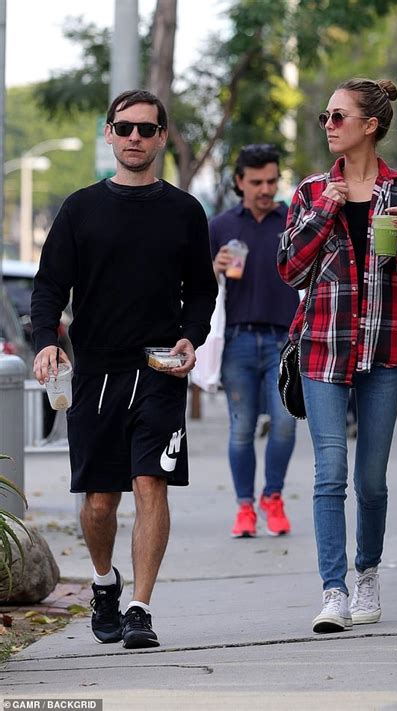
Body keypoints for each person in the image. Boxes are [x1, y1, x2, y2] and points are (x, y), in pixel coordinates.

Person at [31, 89, 218, 649]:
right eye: (125, 128)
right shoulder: (80, 208)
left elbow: (202, 293)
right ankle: (104, 582)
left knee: (150, 482)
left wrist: (191, 337)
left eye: (146, 129)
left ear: (162, 137)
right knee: (99, 502)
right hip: (96, 373)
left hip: (159, 370)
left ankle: (140, 606)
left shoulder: (184, 210)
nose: (135, 137)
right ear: (108, 134)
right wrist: (46, 343)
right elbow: (48, 287)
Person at [277, 78, 397, 633]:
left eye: (337, 116)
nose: (328, 125)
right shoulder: (309, 192)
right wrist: (326, 208)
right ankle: (334, 591)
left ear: (369, 125)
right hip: (324, 348)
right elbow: (290, 270)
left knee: (371, 479)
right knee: (330, 473)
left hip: (388, 348)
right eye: (325, 117)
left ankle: (367, 571)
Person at [210, 144, 300, 538]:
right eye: (257, 182)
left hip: (285, 339)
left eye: (272, 180)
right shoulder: (220, 226)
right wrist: (213, 268)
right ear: (240, 182)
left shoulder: (295, 220)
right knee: (241, 427)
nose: (266, 189)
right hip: (238, 341)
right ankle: (244, 507)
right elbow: (193, 286)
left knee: (285, 424)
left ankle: (273, 497)